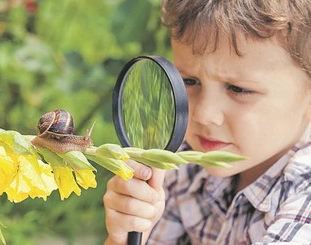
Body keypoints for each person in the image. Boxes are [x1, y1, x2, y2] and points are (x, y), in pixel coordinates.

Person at [103, 0, 311, 244]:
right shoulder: (183, 165)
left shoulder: (304, 202)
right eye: (189, 81)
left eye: (238, 89)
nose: (203, 114)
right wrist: (123, 237)